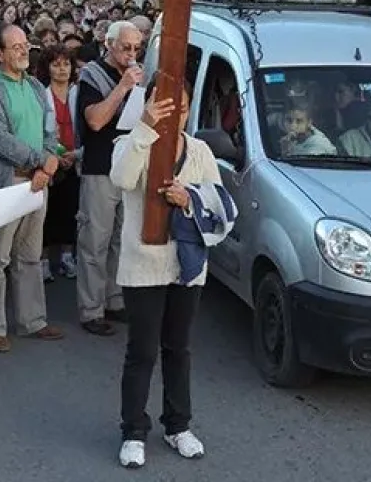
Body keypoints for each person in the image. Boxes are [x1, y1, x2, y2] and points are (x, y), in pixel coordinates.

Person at [109, 76, 235, 469]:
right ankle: (133, 430)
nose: (173, 113)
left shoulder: (199, 151)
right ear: (149, 105)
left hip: (185, 266)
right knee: (142, 350)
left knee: (178, 349)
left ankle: (177, 424)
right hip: (144, 263)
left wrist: (189, 198)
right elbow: (122, 179)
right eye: (165, 106)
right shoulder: (129, 143)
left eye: (180, 106)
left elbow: (219, 203)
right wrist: (145, 128)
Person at [0, 24, 64, 352]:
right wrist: (41, 161)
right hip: (5, 184)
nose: (25, 50)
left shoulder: (37, 87)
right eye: (16, 47)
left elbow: (50, 130)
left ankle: (32, 320)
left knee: (29, 255)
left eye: (26, 45)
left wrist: (48, 160)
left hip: (37, 182)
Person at [75, 21, 144, 336]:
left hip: (126, 166)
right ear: (109, 44)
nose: (131, 54)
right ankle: (91, 309)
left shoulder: (134, 74)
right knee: (95, 242)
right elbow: (96, 120)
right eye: (125, 47)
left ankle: (114, 300)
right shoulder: (91, 76)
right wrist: (123, 88)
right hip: (99, 166)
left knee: (121, 239)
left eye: (136, 48)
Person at [36, 44, 81, 281]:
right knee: (47, 213)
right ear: (47, 68)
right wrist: (54, 154)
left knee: (69, 209)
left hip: (75, 158)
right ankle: (43, 260)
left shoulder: (78, 92)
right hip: (49, 159)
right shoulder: (41, 94)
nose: (62, 69)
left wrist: (75, 154)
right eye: (56, 64)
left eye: (66, 64)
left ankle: (66, 256)